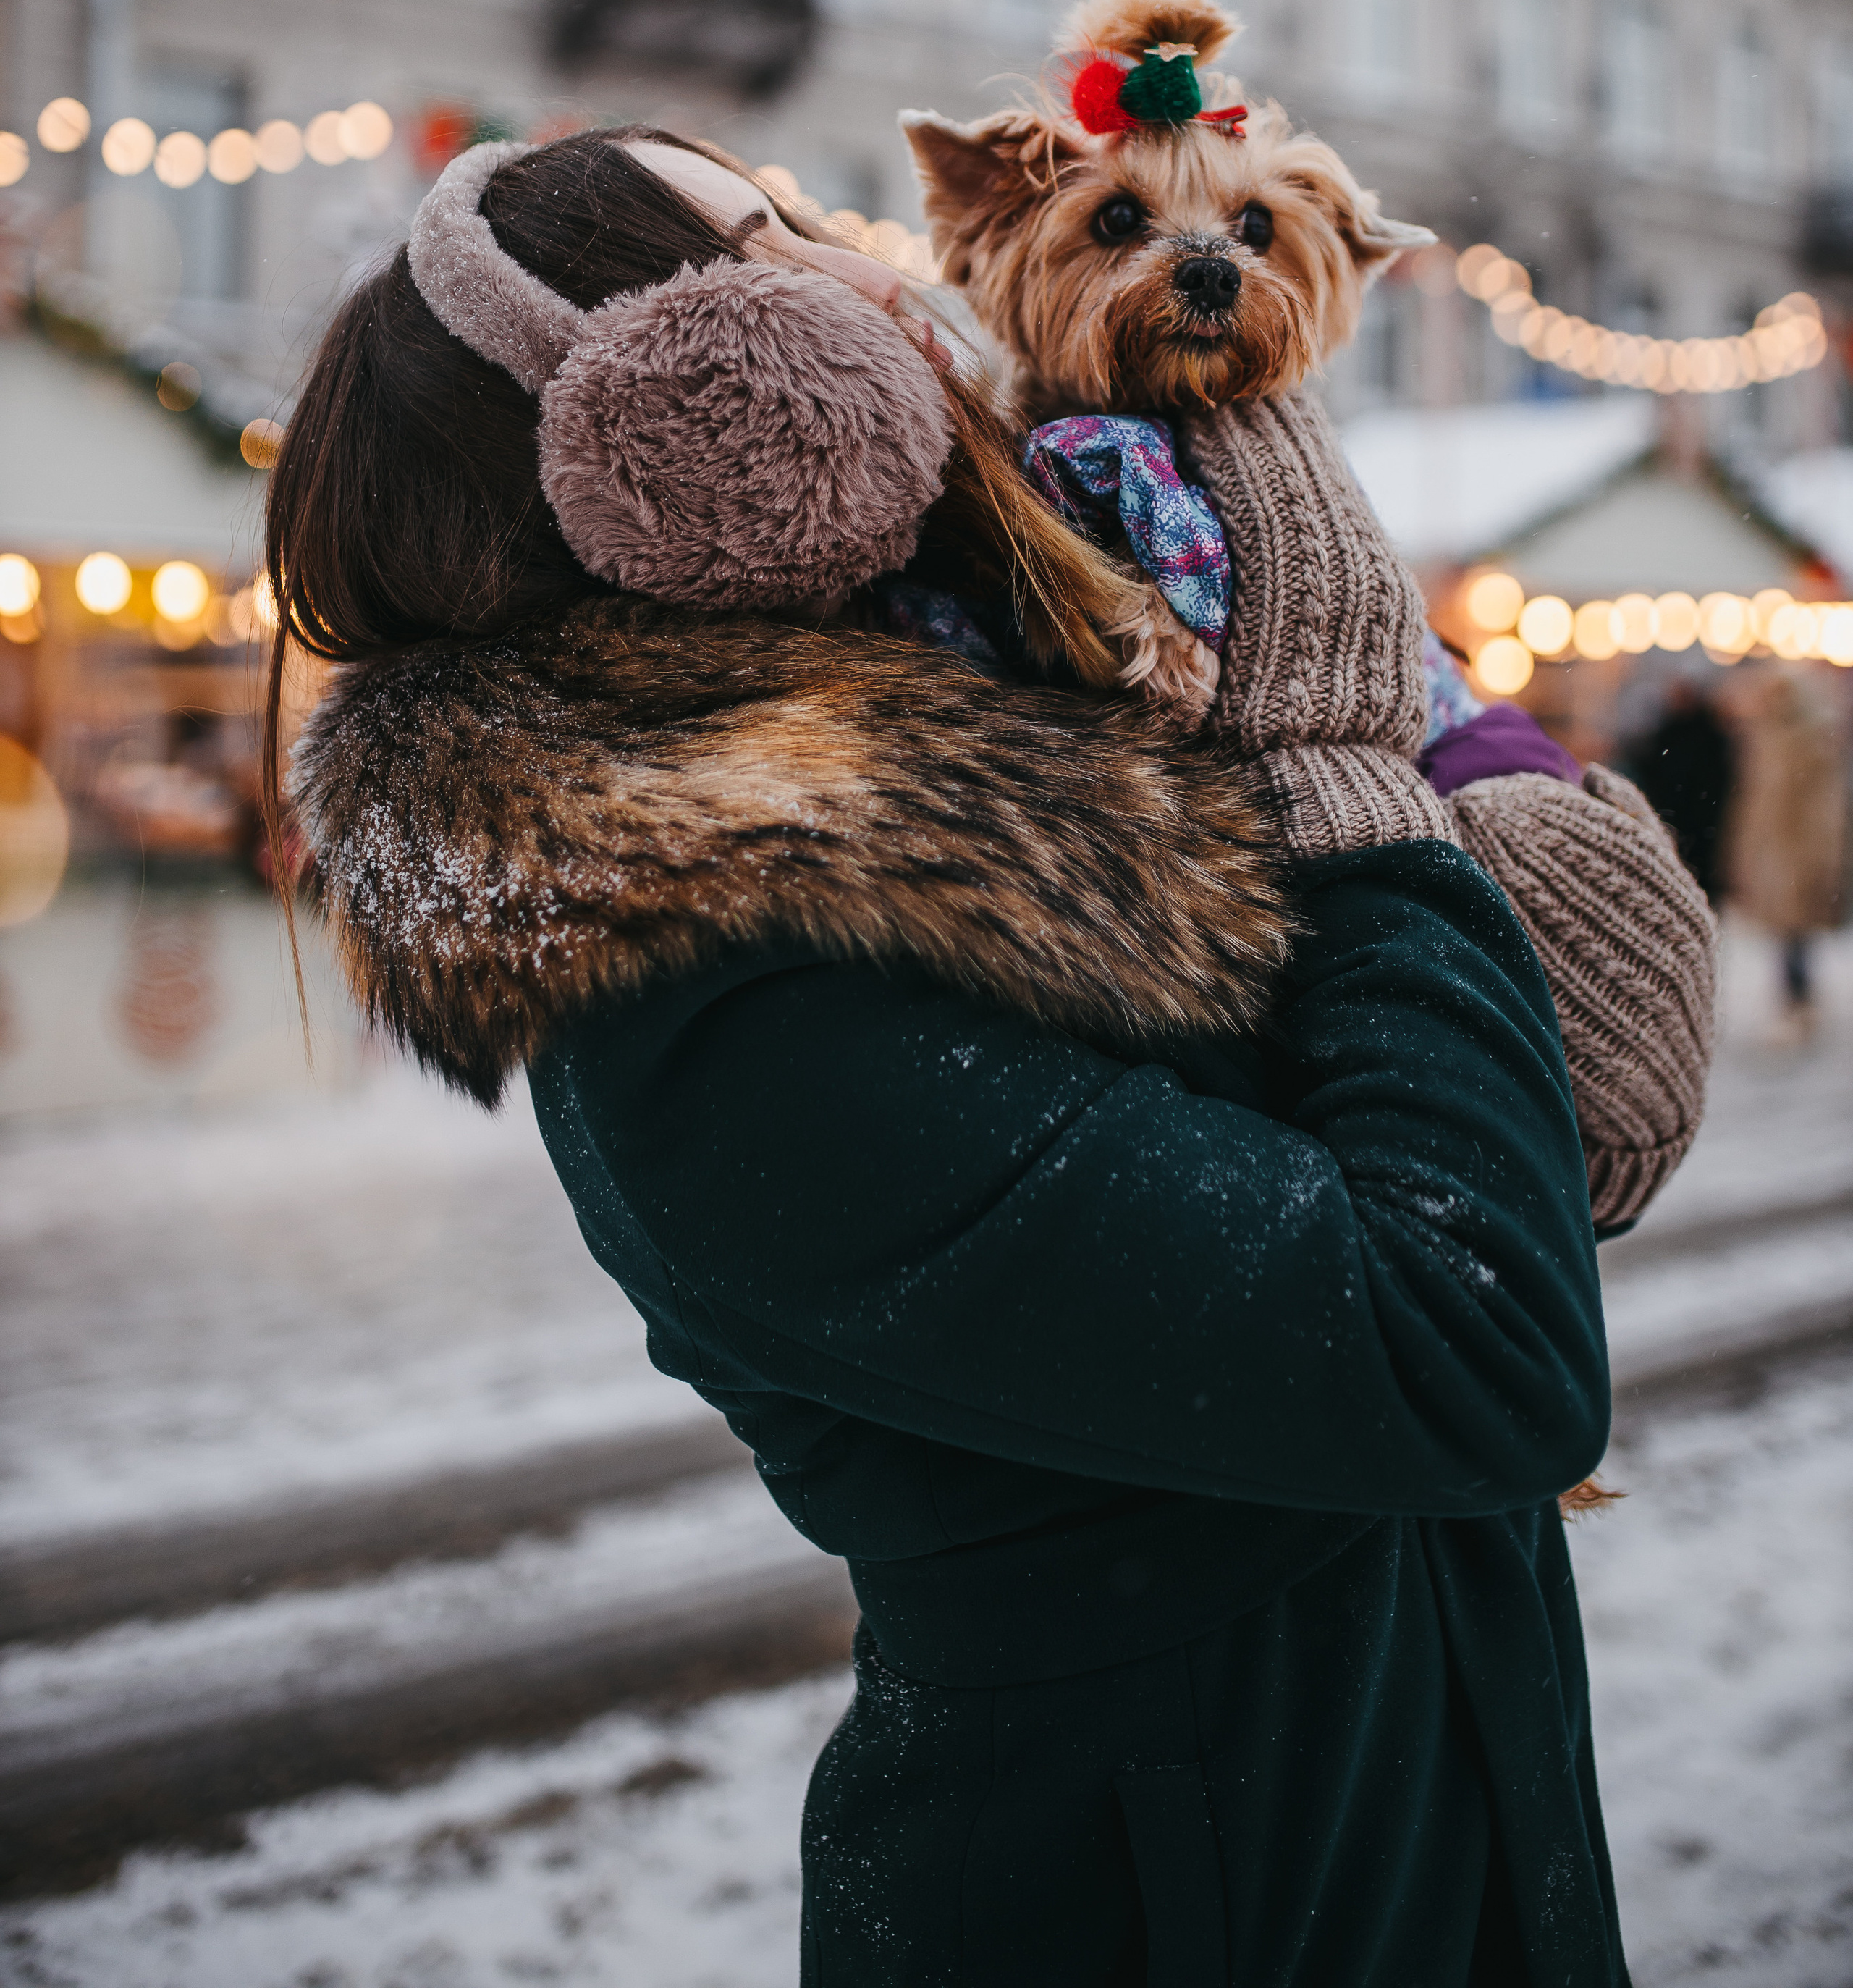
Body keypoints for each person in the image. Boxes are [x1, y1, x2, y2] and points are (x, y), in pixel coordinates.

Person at [269, 127, 1625, 1985]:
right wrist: (1349, 790)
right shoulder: (721, 999)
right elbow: (1466, 1338)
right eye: (775, 236)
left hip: (1390, 1817)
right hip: (1166, 1893)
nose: (868, 257)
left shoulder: (1013, 742)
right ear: (681, 405)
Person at [1723, 666, 1845, 1039]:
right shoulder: (1767, 737)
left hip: (1796, 848)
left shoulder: (1808, 739)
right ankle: (1794, 999)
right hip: (1775, 849)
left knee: (1796, 930)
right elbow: (1755, 802)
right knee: (1784, 931)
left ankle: (1799, 1000)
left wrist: (1821, 855)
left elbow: (1821, 805)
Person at [1624, 679, 1736, 903]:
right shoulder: (1671, 732)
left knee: (1698, 870)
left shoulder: (1706, 735)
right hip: (1680, 816)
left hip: (1700, 818)